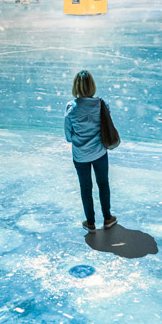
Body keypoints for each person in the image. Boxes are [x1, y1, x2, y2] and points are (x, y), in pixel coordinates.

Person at [64, 70, 117, 233]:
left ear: (76, 86)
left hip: (80, 155)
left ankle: (91, 223)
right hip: (100, 153)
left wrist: (79, 138)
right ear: (92, 85)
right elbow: (106, 126)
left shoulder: (71, 107)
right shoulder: (102, 104)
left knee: (85, 187)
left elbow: (68, 136)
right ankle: (107, 218)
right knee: (103, 184)